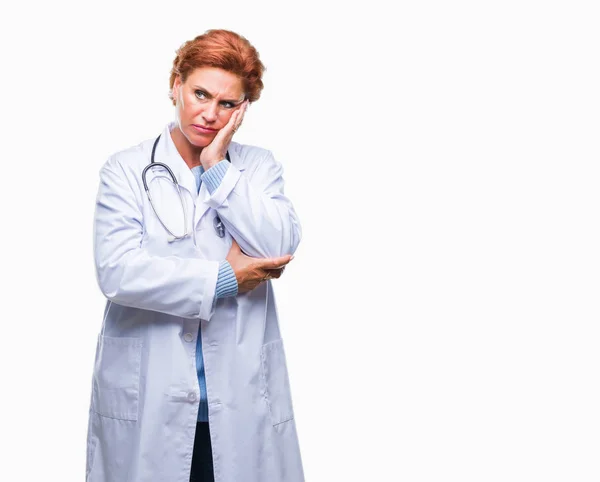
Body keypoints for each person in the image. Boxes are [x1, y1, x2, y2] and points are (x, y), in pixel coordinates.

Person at [85, 29, 304, 482]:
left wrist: (218, 167)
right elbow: (120, 271)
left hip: (239, 401)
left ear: (243, 110)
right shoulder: (125, 170)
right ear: (175, 84)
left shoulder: (256, 169)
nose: (209, 114)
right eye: (200, 93)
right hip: (148, 400)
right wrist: (225, 278)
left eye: (227, 104)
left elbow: (278, 244)